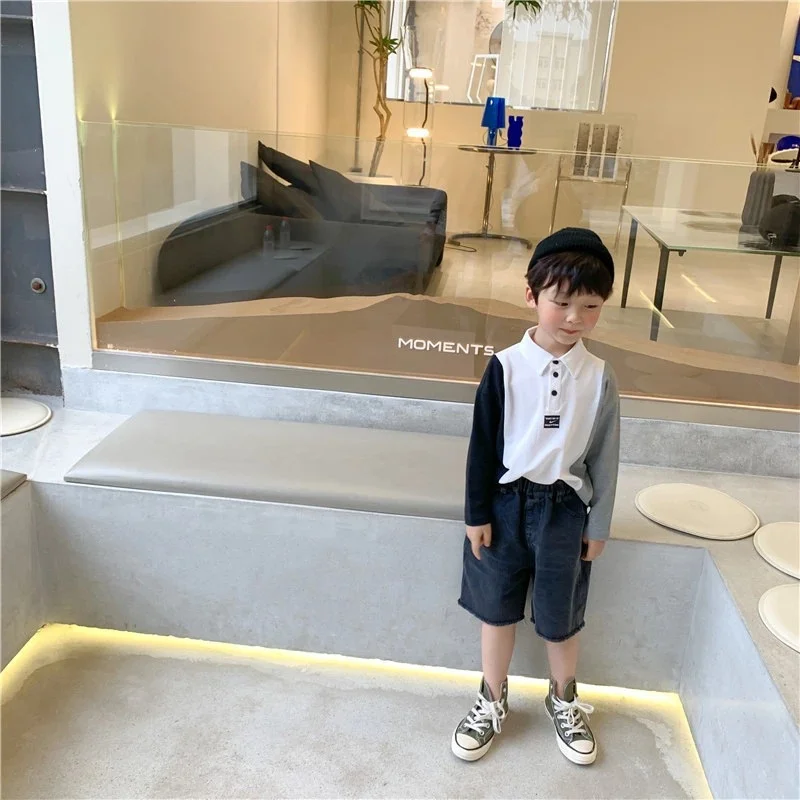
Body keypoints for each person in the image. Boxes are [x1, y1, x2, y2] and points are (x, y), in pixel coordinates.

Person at [451, 227, 620, 766]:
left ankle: (563, 699)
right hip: (504, 507)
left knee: (560, 614)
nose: (574, 317)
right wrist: (477, 513)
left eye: (590, 306)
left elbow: (605, 456)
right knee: (496, 610)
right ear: (531, 295)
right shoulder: (505, 366)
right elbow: (482, 447)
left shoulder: (599, 377)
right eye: (561, 302)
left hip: (564, 511)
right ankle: (490, 698)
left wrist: (598, 524)